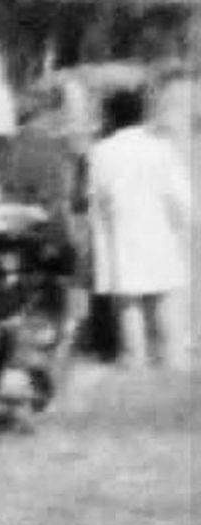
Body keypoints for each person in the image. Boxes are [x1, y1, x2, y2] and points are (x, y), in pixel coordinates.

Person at [87, 87, 192, 369]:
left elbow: (97, 200)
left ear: (110, 117)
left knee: (128, 301)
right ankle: (174, 358)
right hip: (159, 229)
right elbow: (180, 196)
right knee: (165, 296)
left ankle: (136, 357)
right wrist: (184, 225)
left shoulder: (101, 152)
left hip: (122, 229)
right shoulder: (161, 148)